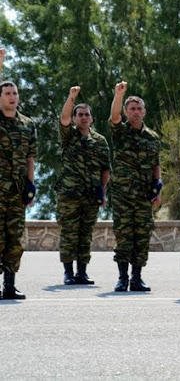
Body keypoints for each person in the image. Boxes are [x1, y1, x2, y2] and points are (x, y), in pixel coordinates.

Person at [109, 82, 162, 292]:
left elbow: (156, 165)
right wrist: (118, 95)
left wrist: (157, 189)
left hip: (144, 196)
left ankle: (137, 278)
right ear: (126, 112)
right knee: (123, 237)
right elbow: (114, 117)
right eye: (132, 109)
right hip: (123, 196)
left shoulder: (153, 137)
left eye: (139, 108)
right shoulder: (120, 133)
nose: (136, 112)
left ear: (144, 112)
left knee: (142, 236)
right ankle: (122, 278)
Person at [56, 86, 110, 285]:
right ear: (75, 118)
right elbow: (63, 118)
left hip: (90, 195)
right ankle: (68, 273)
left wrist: (103, 191)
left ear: (92, 118)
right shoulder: (68, 136)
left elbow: (106, 168)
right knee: (69, 233)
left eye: (87, 114)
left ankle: (82, 272)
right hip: (69, 194)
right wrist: (71, 98)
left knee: (85, 234)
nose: (84, 117)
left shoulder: (100, 141)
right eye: (80, 115)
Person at [0, 48, 37, 299]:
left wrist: (31, 184)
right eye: (7, 93)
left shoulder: (27, 124)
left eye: (15, 93)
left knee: (14, 240)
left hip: (17, 191)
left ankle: (10, 286)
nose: (12, 97)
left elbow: (30, 157)